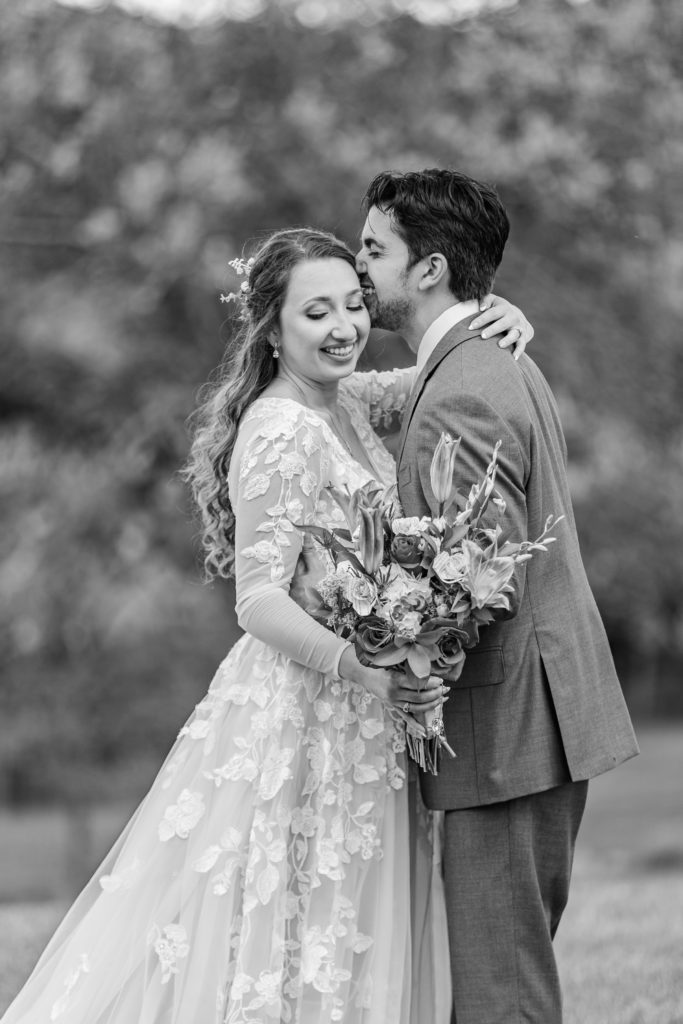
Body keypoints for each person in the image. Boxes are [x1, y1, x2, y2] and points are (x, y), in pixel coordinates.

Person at [1, 228, 532, 1024]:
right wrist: (362, 666)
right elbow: (256, 601)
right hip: (306, 712)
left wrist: (500, 314)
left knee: (342, 924)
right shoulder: (280, 428)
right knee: (285, 928)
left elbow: (438, 362)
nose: (345, 326)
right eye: (316, 312)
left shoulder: (346, 401)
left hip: (367, 714)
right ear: (272, 330)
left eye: (354, 304)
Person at [356, 168, 640, 1024]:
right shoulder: (487, 357)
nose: (358, 266)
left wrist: (378, 634)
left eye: (374, 250)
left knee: (497, 989)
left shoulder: (466, 388)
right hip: (534, 721)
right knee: (501, 971)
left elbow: (477, 581)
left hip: (506, 730)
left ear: (430, 268)